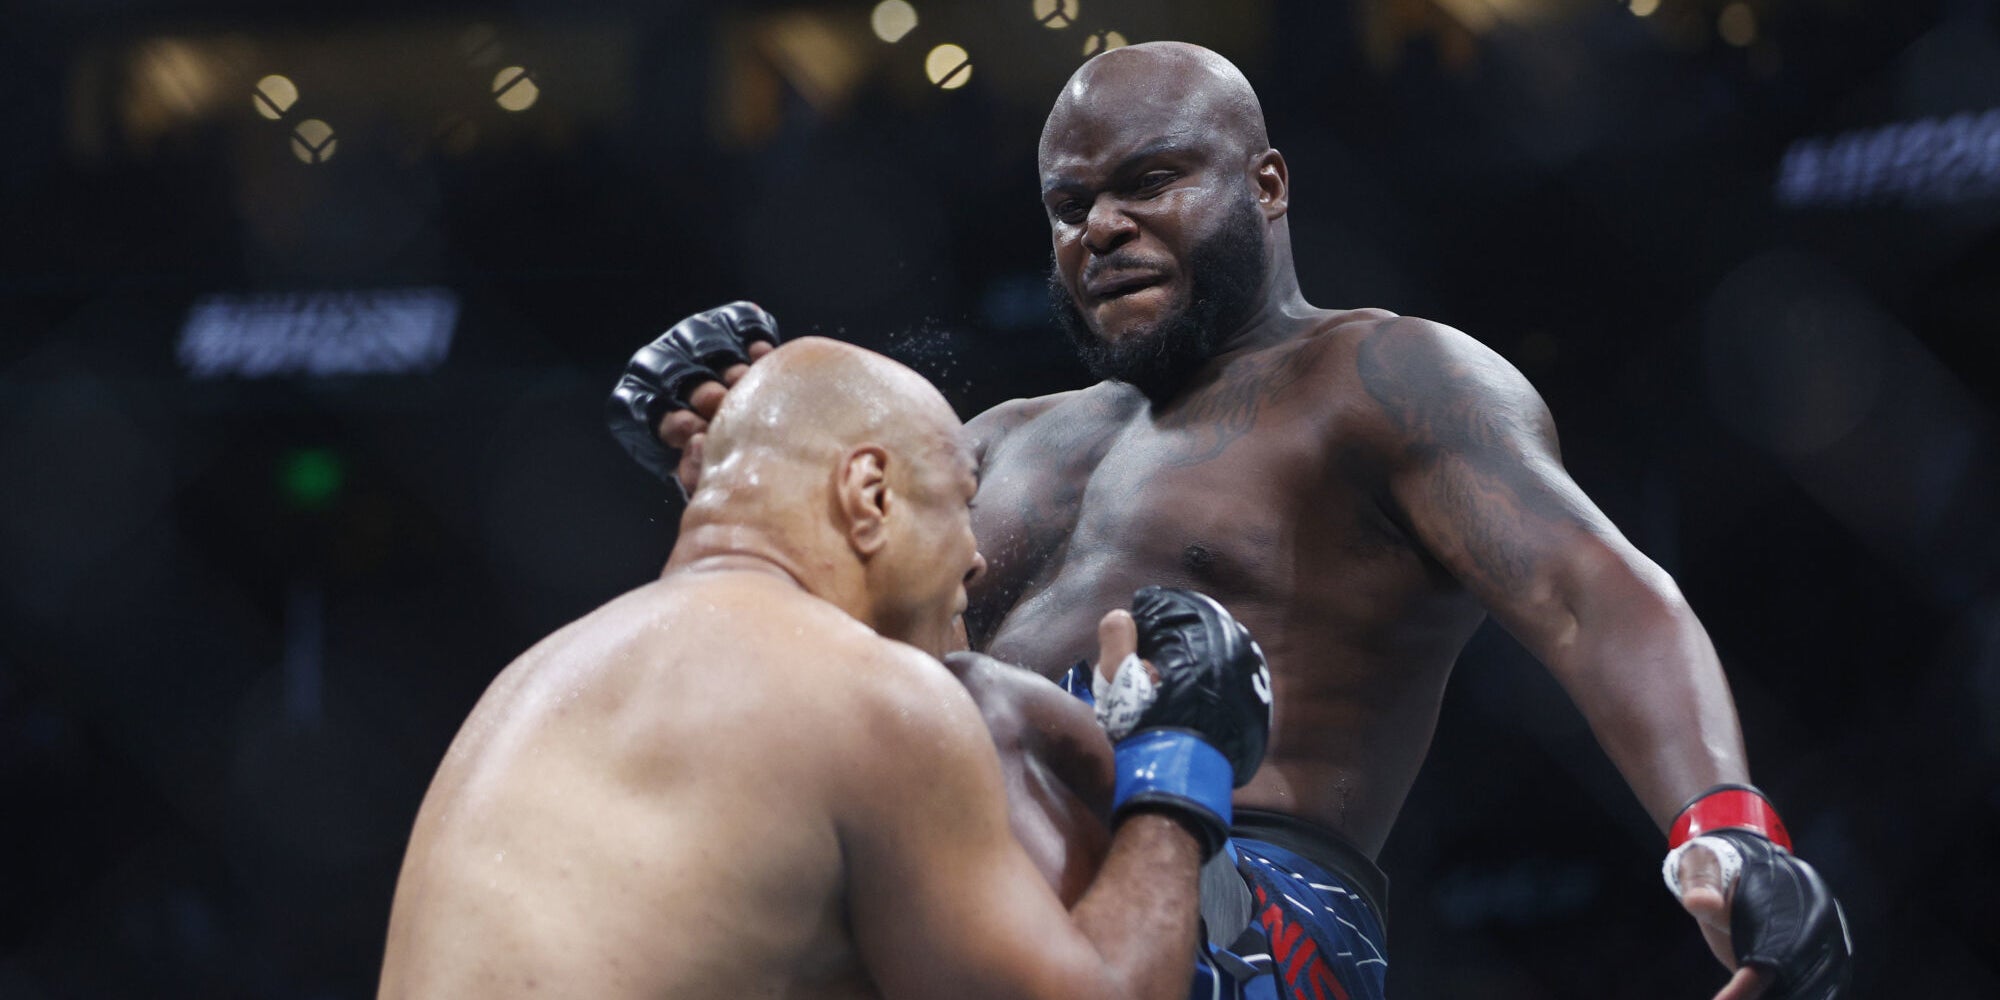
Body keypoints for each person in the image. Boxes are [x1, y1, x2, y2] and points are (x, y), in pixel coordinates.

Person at [608, 43, 1851, 1000]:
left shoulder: (1380, 379)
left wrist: (1726, 824)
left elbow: (1588, 589)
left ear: (1263, 186)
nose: (1100, 226)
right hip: (963, 884)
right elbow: (815, 658)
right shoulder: (991, 441)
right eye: (1069, 202)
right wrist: (748, 459)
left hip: (1244, 904)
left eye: (1148, 181)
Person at [381, 337, 1275, 1000]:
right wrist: (1178, 763)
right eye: (964, 503)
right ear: (870, 494)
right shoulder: (878, 700)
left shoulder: (530, 684)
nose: (974, 559)